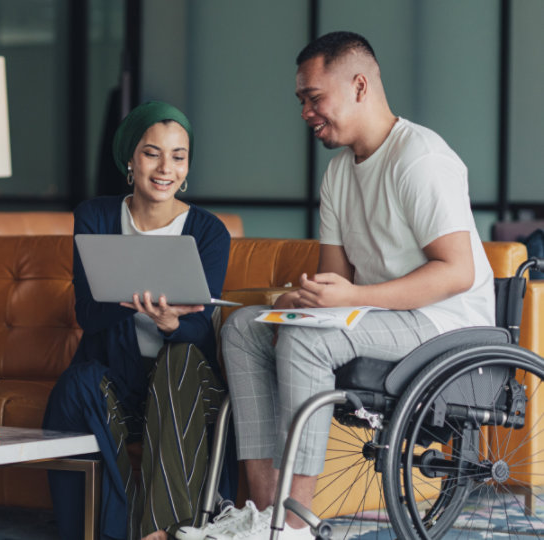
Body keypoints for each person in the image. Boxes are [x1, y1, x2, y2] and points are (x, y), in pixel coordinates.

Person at [178, 31, 495, 540]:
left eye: (314, 98)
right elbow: (336, 280)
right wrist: (300, 300)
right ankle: (266, 515)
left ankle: (296, 522)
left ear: (360, 87)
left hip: (445, 324)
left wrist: (349, 300)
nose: (306, 111)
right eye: (302, 100)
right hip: (379, 319)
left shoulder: (420, 158)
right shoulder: (339, 174)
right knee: (242, 328)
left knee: (308, 338)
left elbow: (457, 271)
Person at [43, 101, 237, 540]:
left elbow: (198, 324)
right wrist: (130, 296)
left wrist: (170, 323)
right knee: (77, 384)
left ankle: (161, 532)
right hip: (122, 385)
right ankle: (116, 530)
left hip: (186, 390)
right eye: (152, 153)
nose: (165, 167)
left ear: (188, 165)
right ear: (130, 159)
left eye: (178, 156)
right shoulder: (95, 216)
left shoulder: (208, 231)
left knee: (180, 360)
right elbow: (88, 314)